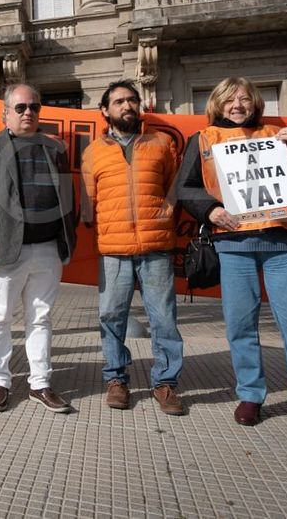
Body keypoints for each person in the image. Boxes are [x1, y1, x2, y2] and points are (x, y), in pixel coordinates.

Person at [176, 77, 287, 446]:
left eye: (245, 99)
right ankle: (251, 395)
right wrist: (211, 211)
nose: (238, 105)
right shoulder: (203, 139)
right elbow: (184, 188)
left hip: (282, 242)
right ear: (218, 104)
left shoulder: (278, 134)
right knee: (241, 327)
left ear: (255, 103)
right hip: (232, 244)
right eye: (230, 99)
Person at [0, 83, 77, 413]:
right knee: (0, 317)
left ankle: (40, 384)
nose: (28, 112)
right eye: (21, 107)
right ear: (5, 114)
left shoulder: (54, 148)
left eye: (34, 107)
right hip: (4, 249)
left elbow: (68, 196)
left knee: (41, 318)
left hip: (47, 248)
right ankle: (0, 381)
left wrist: (67, 237)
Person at [81, 80, 185, 415]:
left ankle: (165, 383)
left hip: (156, 245)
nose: (127, 106)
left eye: (132, 100)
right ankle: (116, 379)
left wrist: (167, 210)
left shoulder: (161, 144)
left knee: (164, 318)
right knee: (111, 316)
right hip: (113, 248)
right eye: (119, 101)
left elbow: (175, 185)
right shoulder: (93, 151)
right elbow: (87, 202)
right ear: (105, 111)